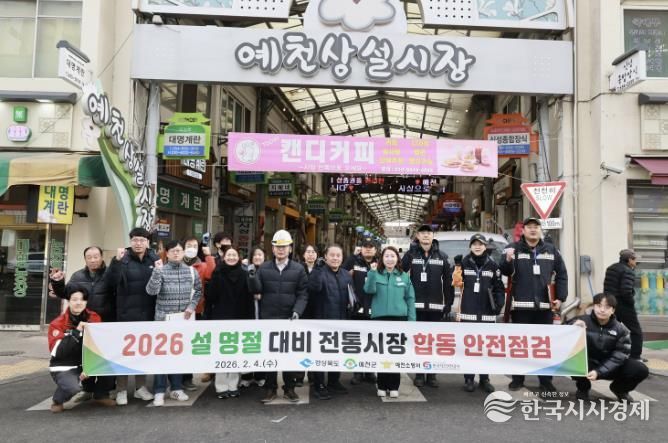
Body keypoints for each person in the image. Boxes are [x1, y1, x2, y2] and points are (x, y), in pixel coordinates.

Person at [501, 216, 568, 393]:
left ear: (540, 230)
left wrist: (560, 297)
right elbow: (504, 271)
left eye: (536, 227)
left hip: (544, 307)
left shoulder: (551, 250)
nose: (533, 229)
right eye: (529, 227)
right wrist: (508, 260)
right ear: (523, 231)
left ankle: (545, 381)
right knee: (520, 346)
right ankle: (518, 379)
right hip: (521, 307)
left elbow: (562, 274)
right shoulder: (512, 248)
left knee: (544, 347)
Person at [251, 230, 308, 403]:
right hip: (268, 318)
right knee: (270, 355)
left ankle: (289, 389)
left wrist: (297, 311)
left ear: (290, 248)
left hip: (289, 319)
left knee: (289, 355)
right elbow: (256, 290)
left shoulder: (298, 269)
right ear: (273, 249)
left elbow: (303, 294)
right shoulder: (264, 268)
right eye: (278, 247)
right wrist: (252, 277)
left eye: (284, 247)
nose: (281, 250)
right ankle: (270, 389)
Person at [106, 227, 160, 405]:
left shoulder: (154, 258)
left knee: (142, 353)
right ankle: (121, 389)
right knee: (124, 353)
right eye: (135, 240)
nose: (138, 243)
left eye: (142, 240)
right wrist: (116, 262)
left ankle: (140, 388)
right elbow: (111, 282)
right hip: (126, 314)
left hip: (147, 313)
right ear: (130, 241)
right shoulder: (123, 258)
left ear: (147, 242)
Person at [145, 240, 202, 406]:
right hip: (163, 319)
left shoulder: (191, 271)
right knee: (161, 356)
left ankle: (176, 388)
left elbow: (198, 291)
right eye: (173, 251)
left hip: (182, 320)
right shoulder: (160, 270)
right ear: (167, 254)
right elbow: (151, 291)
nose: (176, 253)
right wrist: (157, 272)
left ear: (183, 253)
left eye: (179, 250)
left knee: (178, 355)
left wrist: (191, 307)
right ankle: (159, 390)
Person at [47, 284, 115, 412]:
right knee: (73, 388)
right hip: (65, 364)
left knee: (112, 367)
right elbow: (58, 352)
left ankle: (100, 394)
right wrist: (77, 332)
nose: (79, 303)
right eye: (74, 299)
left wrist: (90, 365)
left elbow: (99, 343)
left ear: (86, 302)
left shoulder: (94, 317)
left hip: (87, 361)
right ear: (68, 301)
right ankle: (58, 399)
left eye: (82, 299)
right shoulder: (57, 323)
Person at [570, 293, 649, 402]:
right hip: (588, 363)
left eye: (607, 307)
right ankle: (583, 387)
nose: (602, 310)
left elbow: (619, 357)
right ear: (593, 307)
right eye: (599, 306)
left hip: (611, 366)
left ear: (613, 310)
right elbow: (560, 335)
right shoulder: (581, 320)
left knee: (640, 369)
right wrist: (572, 325)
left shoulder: (621, 330)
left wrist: (599, 372)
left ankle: (619, 389)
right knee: (572, 360)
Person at [401, 224, 452, 388]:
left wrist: (448, 303)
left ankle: (431, 375)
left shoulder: (442, 256)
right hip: (416, 307)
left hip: (436, 308)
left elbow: (448, 282)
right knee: (419, 342)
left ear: (433, 235)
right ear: (417, 236)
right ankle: (419, 374)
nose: (425, 235)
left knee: (433, 342)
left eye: (428, 233)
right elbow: (400, 274)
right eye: (422, 233)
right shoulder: (411, 255)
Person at [364, 246, 416, 398]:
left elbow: (410, 299)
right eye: (386, 256)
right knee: (381, 353)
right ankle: (381, 384)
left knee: (395, 354)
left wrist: (412, 321)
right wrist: (372, 273)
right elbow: (368, 290)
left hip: (399, 319)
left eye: (392, 256)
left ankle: (394, 385)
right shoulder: (375, 273)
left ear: (397, 259)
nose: (389, 259)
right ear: (382, 259)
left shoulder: (404, 276)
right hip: (379, 319)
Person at [458, 234, 505, 393]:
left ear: (485, 247)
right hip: (468, 313)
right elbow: (455, 282)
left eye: (480, 244)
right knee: (469, 348)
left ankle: (485, 379)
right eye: (474, 244)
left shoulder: (493, 265)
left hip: (487, 313)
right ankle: (469, 379)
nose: (477, 247)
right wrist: (456, 267)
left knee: (485, 349)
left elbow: (499, 287)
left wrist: (499, 305)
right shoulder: (464, 263)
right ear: (470, 247)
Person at [207, 246, 254, 399]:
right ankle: (221, 386)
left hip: (240, 318)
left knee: (236, 353)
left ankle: (233, 385)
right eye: (229, 255)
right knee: (221, 353)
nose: (232, 257)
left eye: (234, 255)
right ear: (224, 257)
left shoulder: (244, 274)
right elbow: (211, 297)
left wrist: (250, 320)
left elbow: (249, 299)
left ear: (238, 258)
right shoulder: (217, 272)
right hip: (220, 318)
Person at [308, 244, 354, 400]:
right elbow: (313, 288)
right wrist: (316, 269)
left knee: (337, 353)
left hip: (341, 321)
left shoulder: (346, 275)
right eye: (332, 255)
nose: (335, 258)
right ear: (326, 257)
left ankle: (334, 381)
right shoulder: (320, 272)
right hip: (322, 321)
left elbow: (352, 295)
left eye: (338, 255)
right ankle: (319, 384)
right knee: (321, 354)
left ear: (342, 258)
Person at [342, 236, 378, 385]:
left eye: (371, 247)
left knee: (371, 342)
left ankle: (369, 371)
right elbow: (341, 272)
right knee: (357, 341)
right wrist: (352, 256)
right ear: (361, 249)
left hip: (374, 310)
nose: (368, 249)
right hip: (356, 309)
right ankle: (357, 372)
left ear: (376, 250)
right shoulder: (353, 261)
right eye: (365, 247)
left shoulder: (380, 263)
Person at [182, 237, 217, 389]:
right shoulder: (176, 263)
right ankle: (175, 380)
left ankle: (187, 378)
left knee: (190, 346)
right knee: (178, 346)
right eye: (188, 245)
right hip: (176, 311)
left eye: (194, 246)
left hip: (195, 311)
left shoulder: (202, 266)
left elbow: (212, 274)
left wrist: (209, 256)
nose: (191, 248)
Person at [49, 246, 115, 322]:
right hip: (84, 320)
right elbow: (65, 294)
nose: (92, 260)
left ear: (102, 257)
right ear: (85, 259)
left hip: (107, 320)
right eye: (89, 258)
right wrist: (58, 282)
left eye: (96, 257)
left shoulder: (112, 273)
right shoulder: (77, 276)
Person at [604, 249, 644, 361]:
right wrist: (631, 303)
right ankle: (635, 356)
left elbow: (607, 287)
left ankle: (607, 355)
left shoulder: (611, 268)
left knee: (611, 330)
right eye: (635, 259)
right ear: (629, 259)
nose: (636, 262)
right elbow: (626, 292)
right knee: (636, 331)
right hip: (624, 305)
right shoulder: (628, 271)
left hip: (611, 304)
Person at [241, 246, 267, 388]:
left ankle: (260, 375)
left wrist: (262, 295)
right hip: (248, 310)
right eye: (255, 255)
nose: (257, 257)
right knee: (248, 344)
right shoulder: (245, 270)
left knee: (262, 345)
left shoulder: (268, 271)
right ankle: (246, 376)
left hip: (263, 311)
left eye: (260, 254)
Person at [294, 244, 319, 387]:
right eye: (308, 252)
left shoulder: (321, 269)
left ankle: (313, 375)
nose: (310, 254)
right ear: (303, 255)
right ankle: (298, 376)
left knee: (314, 345)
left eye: (313, 252)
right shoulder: (298, 269)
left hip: (316, 311)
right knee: (301, 345)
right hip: (301, 312)